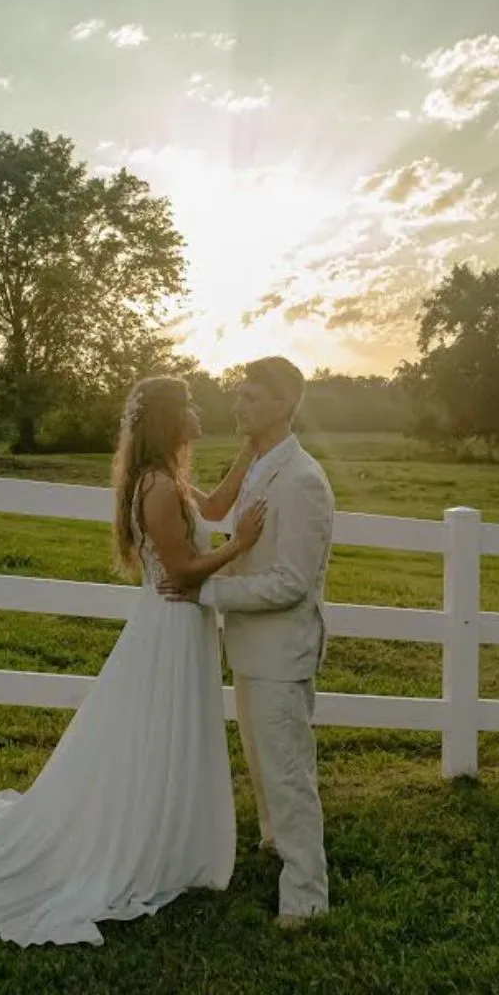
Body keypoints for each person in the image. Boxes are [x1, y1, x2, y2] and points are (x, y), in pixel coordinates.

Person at [0, 376, 265, 947]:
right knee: (159, 730)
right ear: (167, 420)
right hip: (171, 626)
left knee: (166, 732)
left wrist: (250, 448)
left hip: (179, 627)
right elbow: (183, 570)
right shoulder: (158, 487)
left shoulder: (167, 479)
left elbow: (212, 506)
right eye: (188, 407)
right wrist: (242, 544)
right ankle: (147, 842)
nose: (198, 414)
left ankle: (167, 834)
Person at [160, 356, 335, 929]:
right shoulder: (260, 464)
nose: (238, 404)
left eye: (252, 397)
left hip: (281, 651)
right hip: (250, 646)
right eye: (238, 395)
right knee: (263, 761)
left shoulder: (304, 480)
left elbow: (292, 583)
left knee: (288, 771)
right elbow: (216, 511)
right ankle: (272, 842)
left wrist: (205, 593)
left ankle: (306, 893)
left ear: (285, 403)